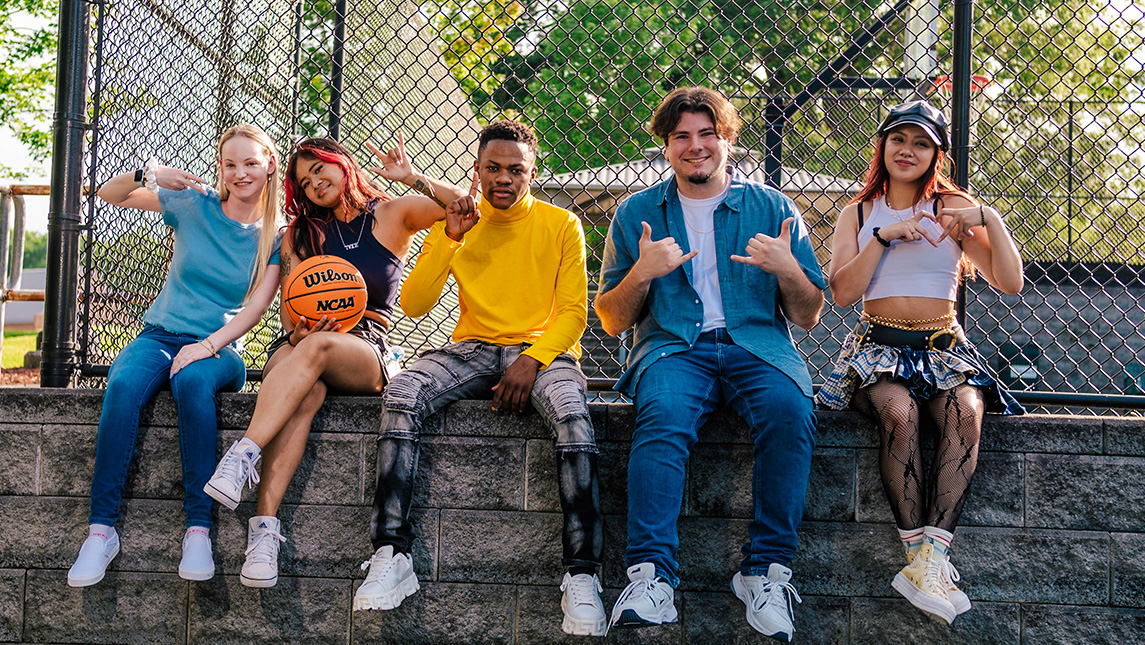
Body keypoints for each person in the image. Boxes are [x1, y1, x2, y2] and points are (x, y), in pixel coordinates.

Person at [351, 120, 606, 636]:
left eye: (516, 170)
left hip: (543, 353)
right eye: (493, 169)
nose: (503, 179)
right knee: (403, 390)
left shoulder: (561, 225)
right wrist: (447, 239)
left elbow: (575, 314)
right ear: (478, 171)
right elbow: (415, 304)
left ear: (533, 174)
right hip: (471, 350)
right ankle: (390, 554)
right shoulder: (459, 222)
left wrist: (531, 360)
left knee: (573, 416)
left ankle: (582, 574)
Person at [595, 87, 825, 642]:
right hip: (674, 348)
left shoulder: (771, 207)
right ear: (666, 146)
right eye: (681, 137)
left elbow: (810, 313)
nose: (695, 146)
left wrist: (787, 269)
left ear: (727, 139)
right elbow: (609, 318)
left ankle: (766, 573)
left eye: (707, 134)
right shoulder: (638, 212)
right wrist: (643, 272)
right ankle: (651, 578)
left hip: (757, 347)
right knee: (663, 417)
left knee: (790, 412)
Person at [202, 135, 467, 588]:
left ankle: (244, 453)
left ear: (343, 164)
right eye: (304, 182)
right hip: (310, 343)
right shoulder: (299, 235)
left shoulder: (391, 213)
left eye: (319, 170)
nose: (314, 184)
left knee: (314, 353)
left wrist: (411, 177)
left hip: (366, 347)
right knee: (303, 378)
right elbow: (289, 316)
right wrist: (298, 331)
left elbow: (462, 206)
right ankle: (263, 535)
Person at [817, 100, 1024, 624]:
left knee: (966, 413)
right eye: (898, 140)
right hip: (878, 349)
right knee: (898, 413)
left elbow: (1010, 281)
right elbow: (841, 292)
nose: (907, 151)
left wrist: (990, 218)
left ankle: (931, 557)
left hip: (943, 348)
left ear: (937, 154)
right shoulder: (858, 213)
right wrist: (885, 238)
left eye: (921, 143)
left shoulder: (952, 211)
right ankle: (918, 559)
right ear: (882, 147)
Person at [67, 124, 284, 586]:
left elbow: (259, 306)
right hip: (160, 335)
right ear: (220, 169)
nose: (240, 173)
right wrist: (153, 172)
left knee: (190, 383)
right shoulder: (194, 205)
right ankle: (101, 532)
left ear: (269, 163)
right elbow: (110, 194)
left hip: (220, 348)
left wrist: (206, 347)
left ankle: (198, 530)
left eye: (250, 162)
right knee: (123, 385)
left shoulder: (277, 235)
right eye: (230, 164)